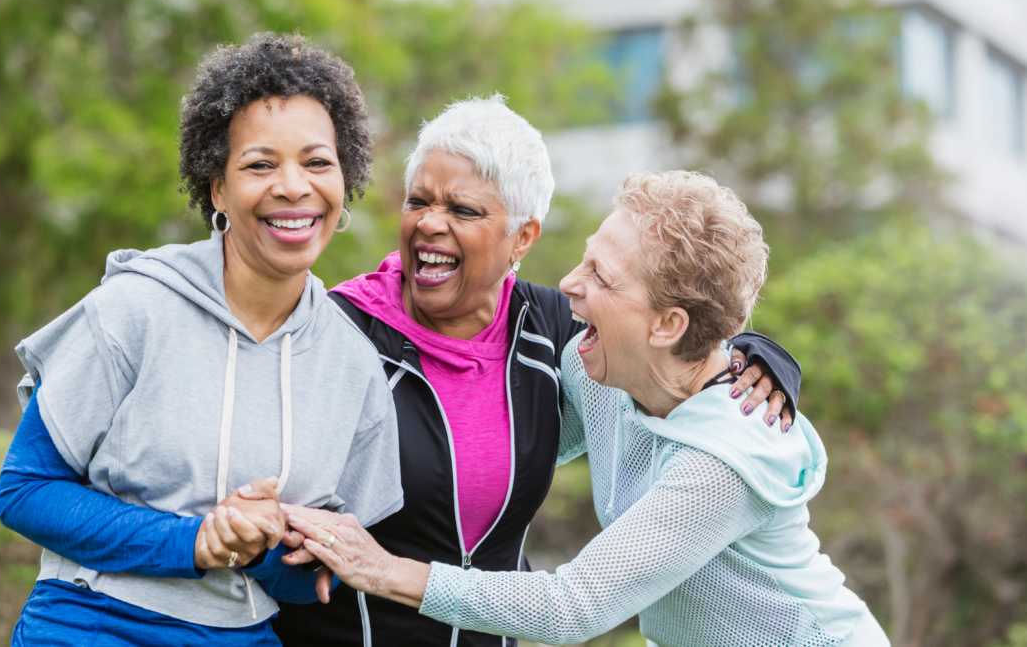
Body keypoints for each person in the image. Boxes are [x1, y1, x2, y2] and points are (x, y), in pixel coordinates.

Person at [268, 98, 803, 647]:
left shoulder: (558, 335)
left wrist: (758, 353)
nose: (430, 223)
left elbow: (671, 342)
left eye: (464, 209)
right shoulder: (334, 332)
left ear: (522, 237)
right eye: (418, 201)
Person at [0, 33, 403, 646]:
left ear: (345, 180)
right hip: (88, 626)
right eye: (260, 164)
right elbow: (25, 491)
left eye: (317, 162)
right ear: (217, 190)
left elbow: (310, 584)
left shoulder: (353, 367)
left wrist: (262, 544)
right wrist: (197, 541)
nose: (293, 187)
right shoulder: (133, 309)